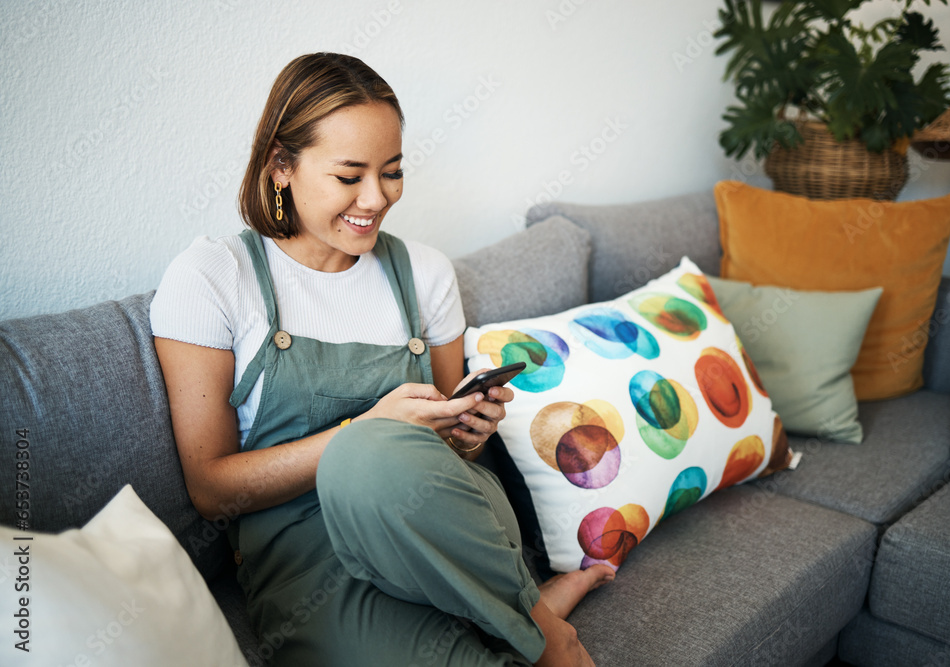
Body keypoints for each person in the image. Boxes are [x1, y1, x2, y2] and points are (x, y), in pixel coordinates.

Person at [151, 52, 613, 666]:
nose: (376, 198)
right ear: (280, 166)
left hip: (440, 527)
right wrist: (368, 431)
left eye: (392, 172)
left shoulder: (423, 273)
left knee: (373, 459)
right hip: (308, 568)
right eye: (350, 176)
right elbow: (211, 489)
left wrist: (469, 434)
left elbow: (450, 455)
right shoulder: (213, 277)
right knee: (362, 454)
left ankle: (538, 628)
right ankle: (529, 612)